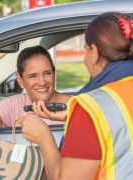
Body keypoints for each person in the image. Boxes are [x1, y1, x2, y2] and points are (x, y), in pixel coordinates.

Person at [17, 12, 133, 179]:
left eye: (85, 51)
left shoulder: (91, 107)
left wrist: (43, 137)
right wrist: (72, 115)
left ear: (94, 51)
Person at [0, 45, 70, 132]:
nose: (41, 82)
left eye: (47, 73)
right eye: (32, 76)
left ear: (54, 73)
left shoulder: (75, 105)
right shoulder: (14, 104)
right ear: (20, 80)